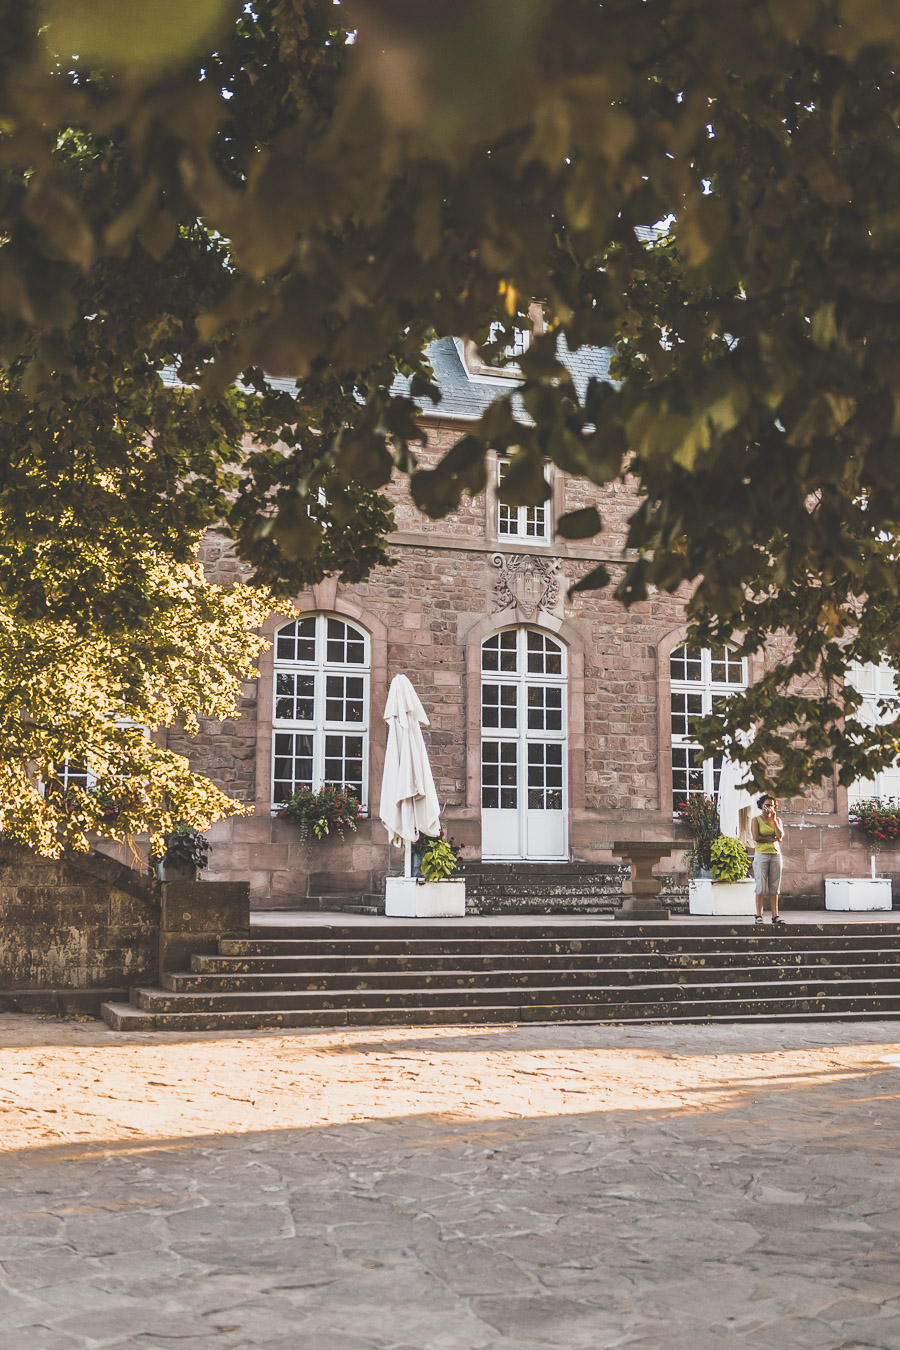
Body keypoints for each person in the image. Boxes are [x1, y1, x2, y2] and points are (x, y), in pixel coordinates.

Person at [750, 794, 785, 925]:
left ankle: (775, 915)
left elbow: (780, 836)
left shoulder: (777, 820)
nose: (769, 808)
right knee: (760, 886)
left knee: (774, 887)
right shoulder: (756, 820)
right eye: (767, 805)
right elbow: (756, 837)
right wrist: (772, 839)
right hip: (761, 855)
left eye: (771, 805)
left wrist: (774, 820)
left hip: (775, 854)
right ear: (761, 806)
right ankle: (758, 915)